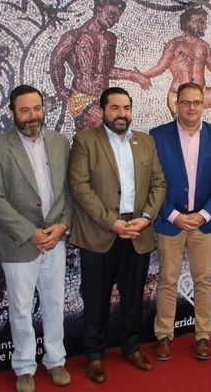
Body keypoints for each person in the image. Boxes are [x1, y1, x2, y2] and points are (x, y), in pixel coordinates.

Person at [69, 87, 166, 384]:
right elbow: (79, 187)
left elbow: (159, 184)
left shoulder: (146, 141)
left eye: (126, 108)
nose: (121, 114)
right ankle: (94, 356)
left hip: (138, 232)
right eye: (115, 108)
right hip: (100, 234)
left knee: (134, 298)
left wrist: (146, 218)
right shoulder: (85, 140)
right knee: (96, 299)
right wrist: (112, 222)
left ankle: (131, 348)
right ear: (103, 110)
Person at [0, 85, 72, 392]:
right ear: (12, 112)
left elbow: (68, 191)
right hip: (18, 242)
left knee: (54, 303)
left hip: (55, 239)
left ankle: (56, 360)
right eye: (24, 110)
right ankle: (23, 366)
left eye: (37, 108)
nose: (32, 116)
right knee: (21, 309)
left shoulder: (60, 142)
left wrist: (63, 225)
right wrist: (30, 232)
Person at [149, 82, 211, 361]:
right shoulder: (158, 136)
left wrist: (203, 214)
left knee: (204, 280)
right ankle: (164, 335)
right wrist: (173, 215)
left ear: (204, 105)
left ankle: (203, 335)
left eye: (196, 102)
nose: (191, 107)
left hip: (204, 223)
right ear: (176, 104)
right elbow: (153, 181)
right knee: (167, 280)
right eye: (185, 102)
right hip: (170, 221)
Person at [141, 7, 211, 147]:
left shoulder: (204, 46)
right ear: (188, 22)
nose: (205, 26)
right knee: (184, 135)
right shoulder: (175, 44)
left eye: (204, 22)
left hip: (200, 92)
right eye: (201, 22)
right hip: (179, 94)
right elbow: (160, 67)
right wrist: (140, 75)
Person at [49, 0, 150, 129]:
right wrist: (61, 90)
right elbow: (56, 60)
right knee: (102, 122)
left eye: (117, 18)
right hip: (81, 97)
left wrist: (134, 76)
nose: (114, 21)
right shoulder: (74, 36)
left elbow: (108, 71)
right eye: (112, 15)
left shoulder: (110, 39)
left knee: (101, 132)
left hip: (102, 99)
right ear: (99, 9)